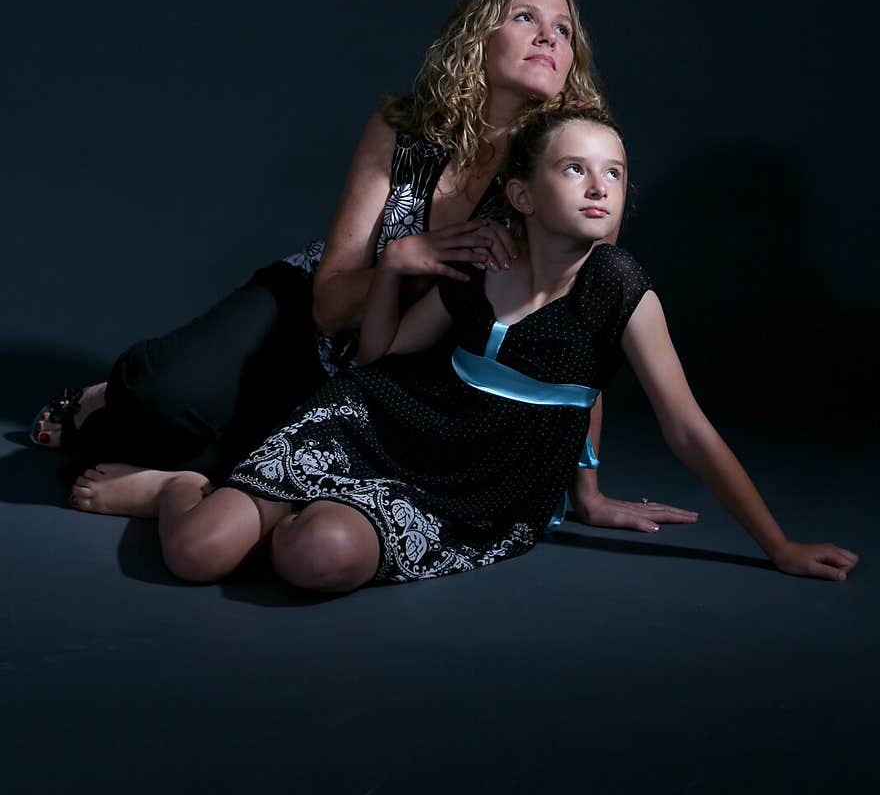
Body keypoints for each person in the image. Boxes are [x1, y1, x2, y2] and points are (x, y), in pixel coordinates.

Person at [73, 102, 858, 589]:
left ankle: (268, 507)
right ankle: (178, 486)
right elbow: (378, 361)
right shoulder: (486, 260)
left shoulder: (620, 286)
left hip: (475, 490)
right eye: (575, 168)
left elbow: (672, 423)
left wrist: (778, 544)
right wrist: (397, 270)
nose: (598, 186)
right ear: (521, 194)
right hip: (376, 425)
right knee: (198, 553)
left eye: (614, 174)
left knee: (313, 560)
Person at [64, 0, 692, 532]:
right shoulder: (402, 128)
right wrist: (405, 257)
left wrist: (590, 491)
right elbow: (330, 301)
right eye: (526, 18)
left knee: (277, 471)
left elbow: (582, 344)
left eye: (564, 29)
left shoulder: (570, 172)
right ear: (477, 38)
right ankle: (94, 401)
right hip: (308, 315)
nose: (549, 37)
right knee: (157, 392)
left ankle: (177, 478)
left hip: (397, 370)